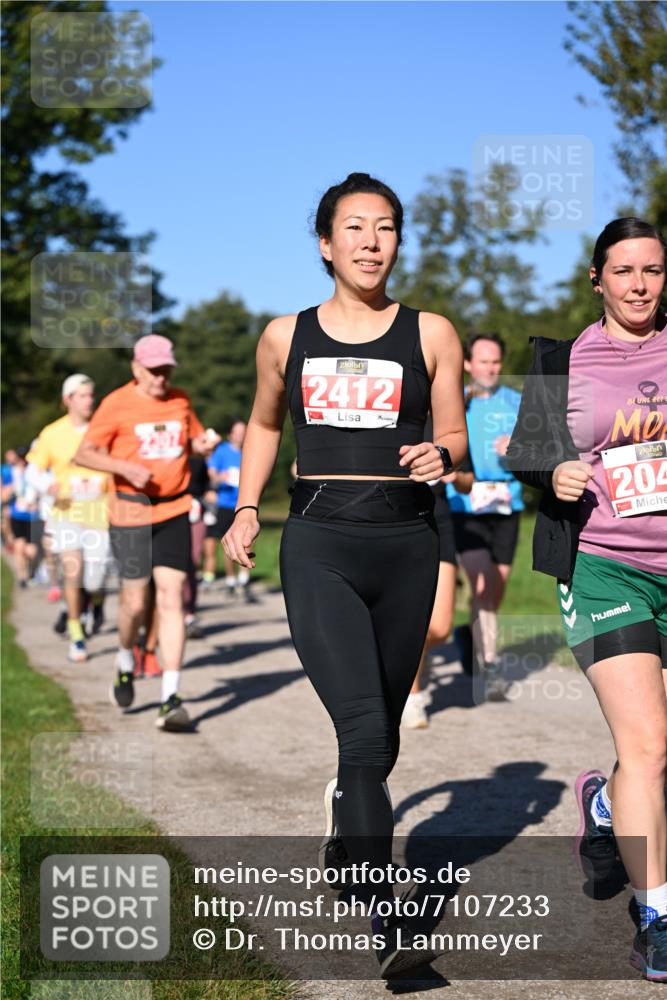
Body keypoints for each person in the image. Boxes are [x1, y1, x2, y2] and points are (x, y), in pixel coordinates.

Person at [223, 172, 467, 978]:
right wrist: (246, 507)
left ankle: (346, 823)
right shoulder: (282, 337)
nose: (371, 241)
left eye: (386, 227)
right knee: (363, 732)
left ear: (398, 242)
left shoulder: (431, 332)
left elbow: (455, 433)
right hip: (320, 545)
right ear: (325, 243)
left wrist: (444, 454)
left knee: (381, 736)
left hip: (407, 548)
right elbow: (263, 423)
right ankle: (389, 915)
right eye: (354, 227)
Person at [506, 217, 667, 981]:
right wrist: (555, 474)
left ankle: (604, 806)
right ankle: (658, 920)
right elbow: (525, 454)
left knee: (655, 755)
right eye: (624, 271)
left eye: (653, 271)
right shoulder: (561, 359)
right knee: (648, 745)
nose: (639, 285)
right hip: (604, 567)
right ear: (595, 279)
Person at [74, 334, 214, 731]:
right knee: (135, 602)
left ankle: (170, 697)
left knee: (171, 598)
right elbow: (83, 453)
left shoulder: (181, 399)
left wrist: (203, 444)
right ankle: (124, 659)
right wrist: (124, 469)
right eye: (153, 370)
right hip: (131, 511)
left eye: (166, 369)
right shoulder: (116, 404)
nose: (161, 377)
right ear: (136, 368)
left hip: (173, 507)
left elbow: (193, 438)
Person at [448, 332, 524, 697]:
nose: (490, 368)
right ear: (467, 364)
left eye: (495, 362)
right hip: (465, 505)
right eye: (483, 361)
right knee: (480, 584)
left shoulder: (516, 401)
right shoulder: (454, 403)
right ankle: (489, 667)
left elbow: (541, 451)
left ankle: (468, 634)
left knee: (494, 591)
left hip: (507, 504)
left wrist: (519, 448)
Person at [27, 374, 110, 663]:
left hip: (100, 512)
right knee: (72, 574)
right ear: (68, 400)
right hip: (66, 511)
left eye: (91, 395)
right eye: (83, 396)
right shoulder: (52, 433)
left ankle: (97, 603)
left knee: (96, 580)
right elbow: (32, 470)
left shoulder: (105, 428)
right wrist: (43, 485)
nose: (90, 400)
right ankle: (76, 634)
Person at [402, 425, 474, 730]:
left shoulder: (446, 423)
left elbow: (469, 483)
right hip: (396, 518)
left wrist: (456, 477)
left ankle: (418, 656)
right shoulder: (390, 412)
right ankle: (412, 696)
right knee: (411, 622)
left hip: (438, 519)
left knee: (440, 627)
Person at [204, 419, 249, 594]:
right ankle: (231, 579)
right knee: (229, 542)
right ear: (230, 434)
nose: (240, 435)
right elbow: (212, 475)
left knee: (246, 541)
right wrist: (221, 477)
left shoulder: (249, 451)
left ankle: (244, 578)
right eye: (237, 432)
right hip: (224, 503)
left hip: (244, 504)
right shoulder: (221, 451)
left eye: (243, 431)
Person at [4, 446, 41, 586]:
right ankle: (22, 577)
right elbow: (4, 494)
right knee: (19, 546)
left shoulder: (36, 470)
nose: (23, 461)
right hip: (17, 514)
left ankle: (31, 570)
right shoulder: (11, 473)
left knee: (32, 549)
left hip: (33, 515)